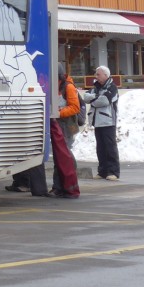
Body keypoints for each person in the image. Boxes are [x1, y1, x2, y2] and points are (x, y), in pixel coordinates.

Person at [82, 66, 120, 180]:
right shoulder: (96, 88)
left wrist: (94, 99)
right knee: (100, 148)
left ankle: (113, 172)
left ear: (105, 75)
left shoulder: (112, 88)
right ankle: (102, 171)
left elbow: (104, 101)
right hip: (97, 122)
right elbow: (85, 97)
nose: (96, 77)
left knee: (110, 148)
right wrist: (97, 97)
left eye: (98, 74)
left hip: (108, 122)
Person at [51, 63, 81, 198]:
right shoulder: (57, 86)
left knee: (64, 156)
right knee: (59, 157)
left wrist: (58, 113)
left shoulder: (68, 87)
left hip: (66, 126)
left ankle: (62, 187)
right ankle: (60, 187)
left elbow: (75, 107)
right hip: (57, 125)